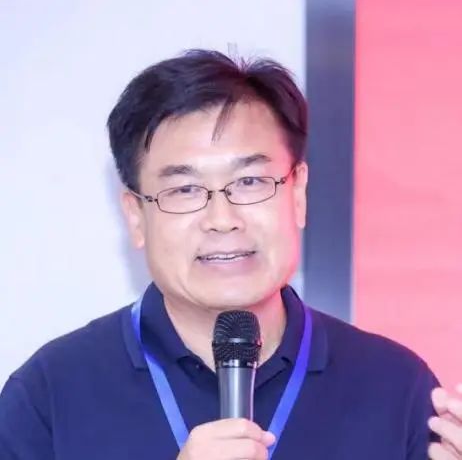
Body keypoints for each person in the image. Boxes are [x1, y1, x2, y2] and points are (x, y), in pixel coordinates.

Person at [0, 49, 461, 460]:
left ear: (297, 193)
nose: (222, 219)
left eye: (250, 182)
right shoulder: (49, 397)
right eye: (185, 189)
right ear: (136, 217)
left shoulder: (396, 389)